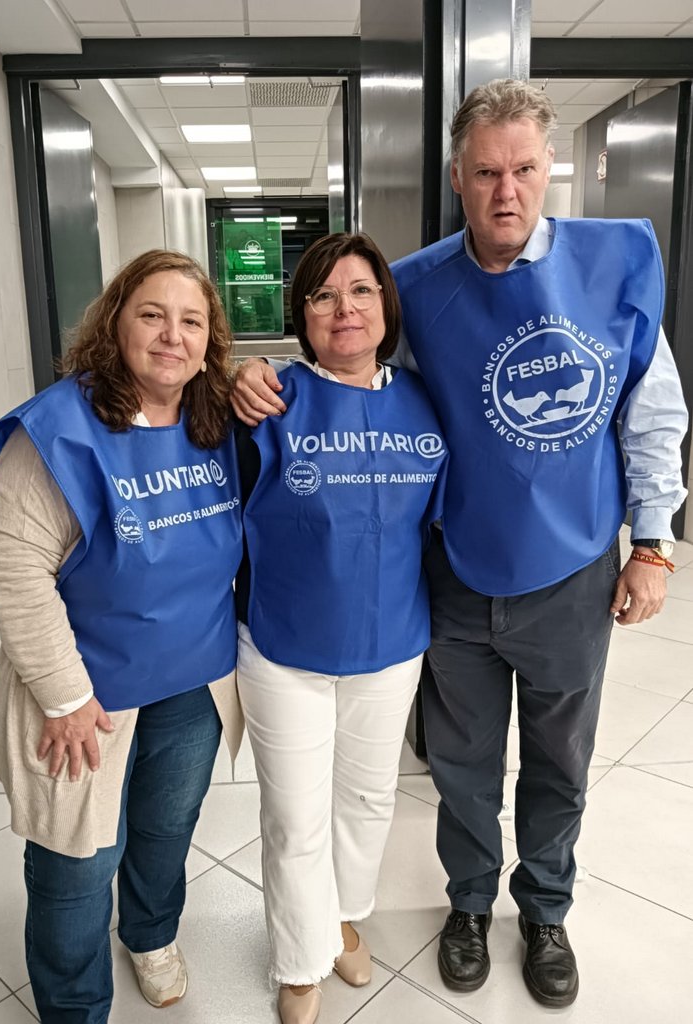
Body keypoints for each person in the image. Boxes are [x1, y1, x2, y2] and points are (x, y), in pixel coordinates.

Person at [231, 80, 688, 1010]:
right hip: (455, 576)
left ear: (548, 166)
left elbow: (652, 412)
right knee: (464, 763)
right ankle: (470, 904)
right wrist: (256, 375)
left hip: (571, 573)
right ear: (456, 176)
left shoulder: (613, 263)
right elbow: (354, 373)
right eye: (484, 172)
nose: (504, 190)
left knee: (559, 759)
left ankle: (545, 910)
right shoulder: (414, 287)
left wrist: (652, 542)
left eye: (522, 169)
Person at [0, 250, 244, 1023]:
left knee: (164, 829)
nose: (172, 335)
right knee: (77, 860)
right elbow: (9, 569)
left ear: (210, 340)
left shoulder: (214, 420)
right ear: (115, 322)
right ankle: (74, 1004)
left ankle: (150, 936)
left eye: (191, 321)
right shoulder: (60, 430)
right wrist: (63, 696)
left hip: (193, 679)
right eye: (151, 315)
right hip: (86, 693)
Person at [235, 232, 447, 1024]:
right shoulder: (268, 400)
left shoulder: (425, 399)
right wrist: (232, 374)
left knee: (365, 800)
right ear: (302, 315)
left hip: (389, 642)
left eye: (360, 291)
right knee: (295, 820)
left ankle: (344, 918)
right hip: (283, 646)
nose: (344, 309)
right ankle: (299, 963)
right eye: (322, 295)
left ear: (387, 306)